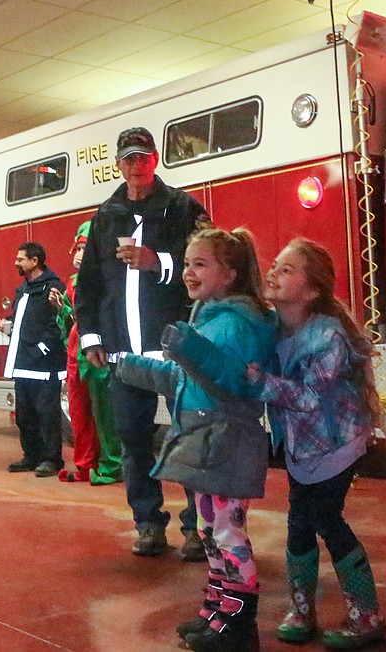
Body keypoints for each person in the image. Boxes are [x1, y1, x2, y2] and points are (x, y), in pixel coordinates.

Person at [165, 238, 386, 649]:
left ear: (312, 290)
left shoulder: (326, 337)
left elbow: (306, 397)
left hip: (336, 445)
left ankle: (367, 615)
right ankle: (301, 609)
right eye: (276, 266)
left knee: (326, 519)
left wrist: (259, 381)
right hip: (302, 448)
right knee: (299, 522)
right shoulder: (275, 329)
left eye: (287, 270)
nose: (273, 273)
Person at [117, 228, 277, 652]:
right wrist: (130, 366)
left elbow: (233, 382)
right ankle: (217, 612)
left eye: (199, 264)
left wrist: (188, 348)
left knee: (227, 533)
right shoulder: (210, 317)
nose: (188, 272)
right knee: (210, 529)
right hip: (208, 439)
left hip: (225, 440)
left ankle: (238, 624)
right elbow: (187, 377)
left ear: (229, 274)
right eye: (187, 263)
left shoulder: (237, 325)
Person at [75, 126, 211, 559]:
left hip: (175, 353)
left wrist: (160, 262)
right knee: (133, 442)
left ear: (156, 160)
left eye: (143, 157)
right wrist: (94, 337)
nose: (136, 165)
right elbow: (89, 284)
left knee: (189, 437)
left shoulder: (183, 208)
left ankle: (198, 529)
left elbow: (209, 267)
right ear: (118, 164)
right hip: (125, 353)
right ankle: (149, 524)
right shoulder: (106, 216)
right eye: (128, 158)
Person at [51, 221, 122, 484]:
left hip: (98, 352)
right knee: (79, 413)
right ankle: (84, 464)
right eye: (78, 248)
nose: (79, 254)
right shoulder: (72, 282)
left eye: (85, 248)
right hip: (75, 352)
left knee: (105, 413)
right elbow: (71, 321)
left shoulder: (109, 279)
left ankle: (111, 465)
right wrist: (62, 310)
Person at [1, 241, 67, 477]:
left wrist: (41, 349)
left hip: (44, 367)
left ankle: (52, 459)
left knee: (47, 415)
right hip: (23, 366)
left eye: (20, 259)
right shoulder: (23, 290)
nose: (16, 263)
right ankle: (31, 456)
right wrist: (8, 323)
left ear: (34, 261)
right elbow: (24, 318)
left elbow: (57, 323)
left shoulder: (53, 287)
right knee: (24, 415)